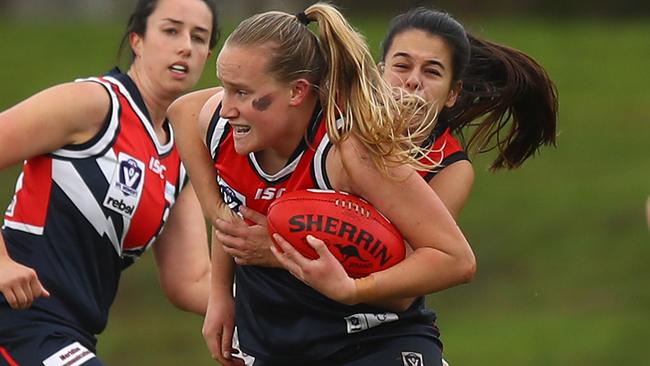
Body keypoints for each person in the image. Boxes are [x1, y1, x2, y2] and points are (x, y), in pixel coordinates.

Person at [169, 3, 475, 366]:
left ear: (298, 92)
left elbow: (456, 259)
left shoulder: (348, 153)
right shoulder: (223, 127)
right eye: (224, 88)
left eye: (241, 92)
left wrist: (348, 286)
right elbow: (182, 113)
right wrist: (220, 285)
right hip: (276, 342)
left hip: (373, 341)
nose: (225, 107)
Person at [0, 0, 219, 364]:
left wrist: (285, 310)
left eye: (199, 38)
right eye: (171, 30)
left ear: (208, 55)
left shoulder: (182, 157)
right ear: (137, 40)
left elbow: (192, 281)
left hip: (71, 335)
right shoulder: (94, 104)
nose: (185, 46)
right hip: (17, 319)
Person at [379, 7, 558, 218]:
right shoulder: (341, 123)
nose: (413, 81)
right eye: (401, 66)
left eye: (432, 72)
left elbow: (424, 248)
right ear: (379, 74)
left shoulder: (450, 168)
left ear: (452, 93)